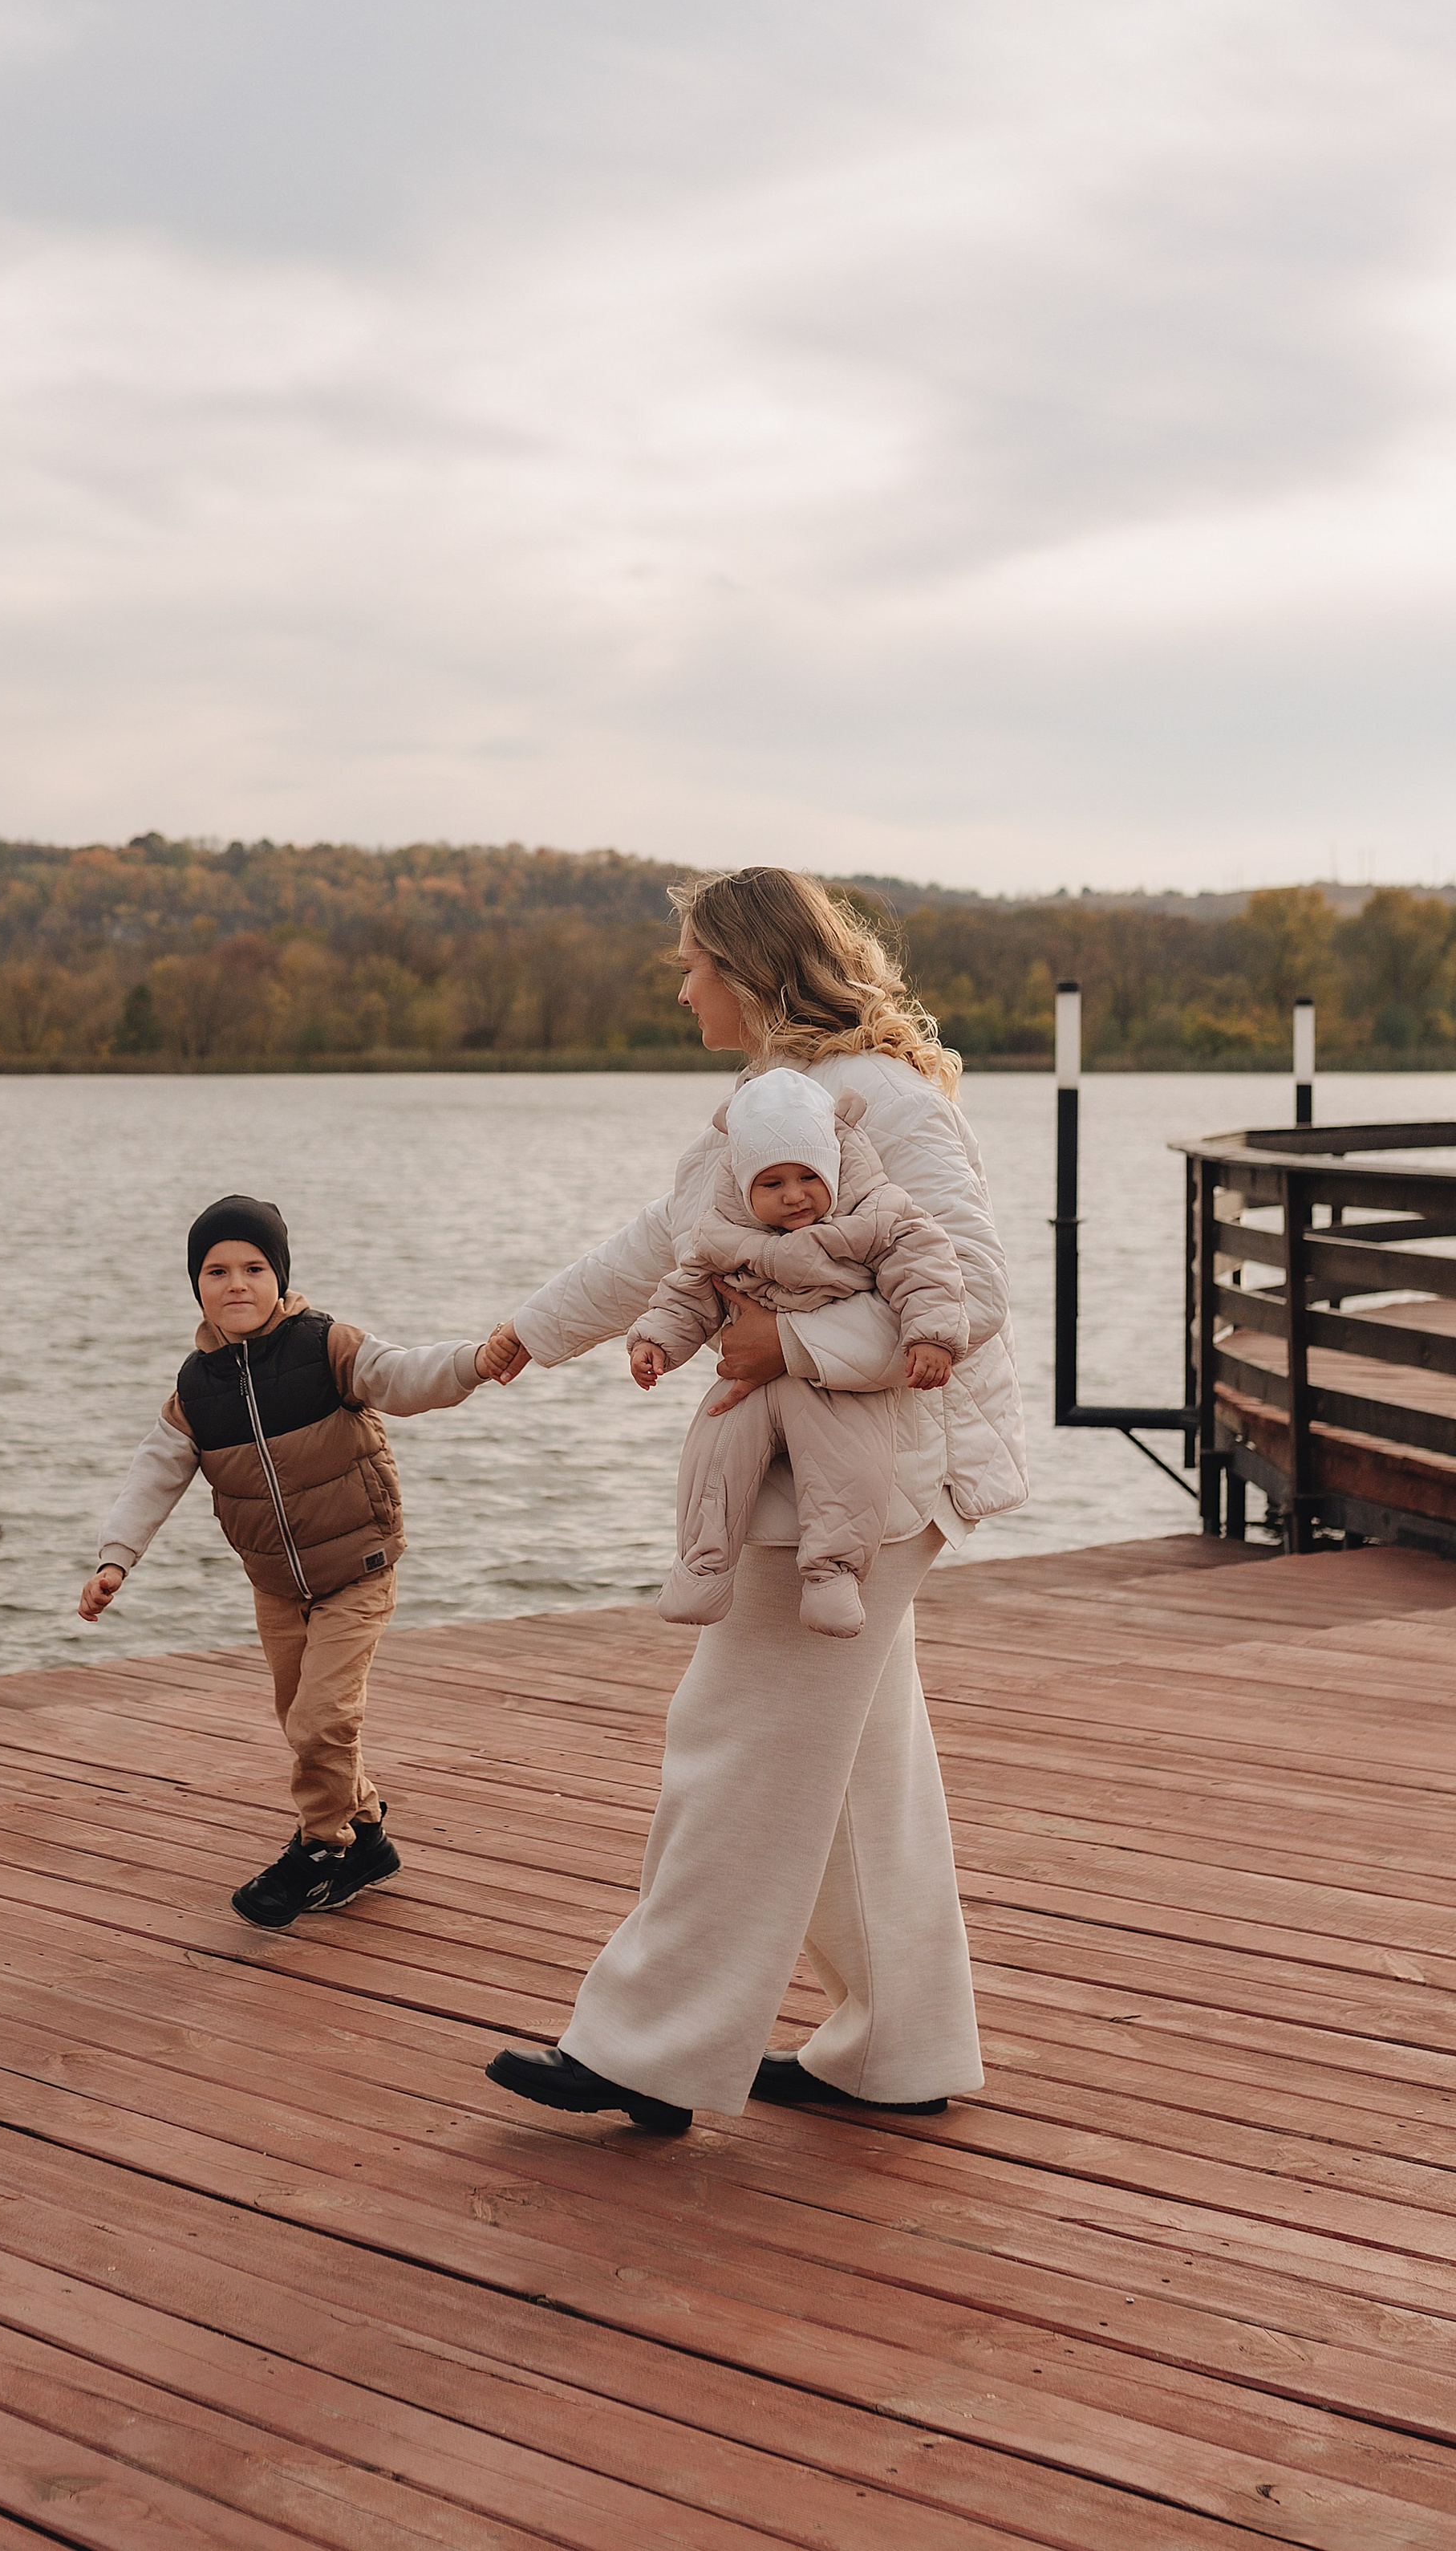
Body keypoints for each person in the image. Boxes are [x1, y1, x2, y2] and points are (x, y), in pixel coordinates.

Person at [477, 866, 1026, 2137]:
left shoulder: (881, 1098)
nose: (679, 988)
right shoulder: (773, 1107)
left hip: (861, 1477)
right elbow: (659, 1240)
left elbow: (972, 1288)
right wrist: (527, 1335)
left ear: (747, 969)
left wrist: (795, 1350)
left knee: (727, 1744)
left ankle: (647, 2050)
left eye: (690, 964)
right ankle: (896, 2046)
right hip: (842, 1472)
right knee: (857, 1777)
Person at [79, 1192, 491, 1930]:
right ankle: (367, 1834)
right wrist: (116, 1560)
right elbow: (155, 1473)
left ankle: (321, 1850)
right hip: (277, 1587)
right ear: (195, 1285)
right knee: (300, 1718)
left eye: (254, 1267)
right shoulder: (195, 1391)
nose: (236, 1283)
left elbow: (403, 1376)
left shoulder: (325, 1346)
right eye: (216, 1270)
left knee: (322, 1721)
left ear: (281, 1276)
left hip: (357, 1570)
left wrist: (476, 1361)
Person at [628, 1065, 968, 1635]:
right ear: (743, 1187)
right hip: (749, 1382)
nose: (794, 1197)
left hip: (834, 1378)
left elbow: (928, 1269)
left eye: (807, 1177)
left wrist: (931, 1335)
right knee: (715, 1449)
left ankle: (832, 1575)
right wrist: (655, 1340)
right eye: (772, 1184)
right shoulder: (722, 1235)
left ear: (832, 1167)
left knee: (849, 1465)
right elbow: (687, 1293)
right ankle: (702, 1566)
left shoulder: (877, 1216)